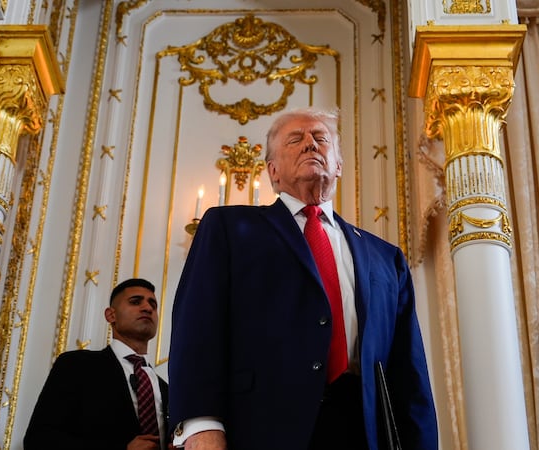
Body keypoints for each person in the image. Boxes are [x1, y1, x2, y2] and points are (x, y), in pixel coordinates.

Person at [167, 107, 438, 450]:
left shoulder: (385, 257)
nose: (310, 144)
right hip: (259, 428)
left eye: (320, 138)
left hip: (363, 431)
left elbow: (408, 369)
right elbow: (197, 328)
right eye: (296, 139)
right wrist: (200, 425)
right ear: (273, 171)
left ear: (338, 165)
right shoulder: (228, 228)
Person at [24, 278, 170, 450]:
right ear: (111, 315)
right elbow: (39, 440)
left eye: (153, 304)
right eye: (135, 302)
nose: (147, 308)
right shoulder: (76, 366)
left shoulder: (167, 389)